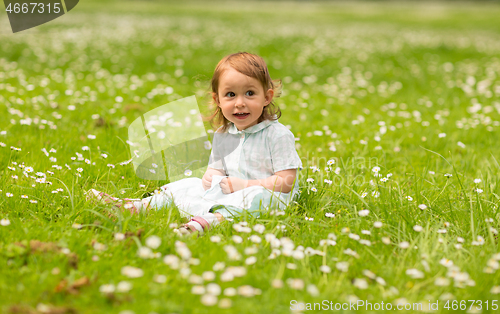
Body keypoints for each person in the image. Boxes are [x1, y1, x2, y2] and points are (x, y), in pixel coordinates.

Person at [86, 52, 302, 235]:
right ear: (218, 100)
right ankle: (137, 206)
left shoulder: (277, 135)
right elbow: (217, 167)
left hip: (263, 194)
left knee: (257, 200)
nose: (239, 103)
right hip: (229, 190)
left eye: (249, 93)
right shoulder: (224, 133)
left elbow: (286, 182)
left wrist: (245, 185)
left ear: (267, 97)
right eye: (230, 94)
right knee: (187, 185)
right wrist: (211, 175)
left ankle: (210, 221)